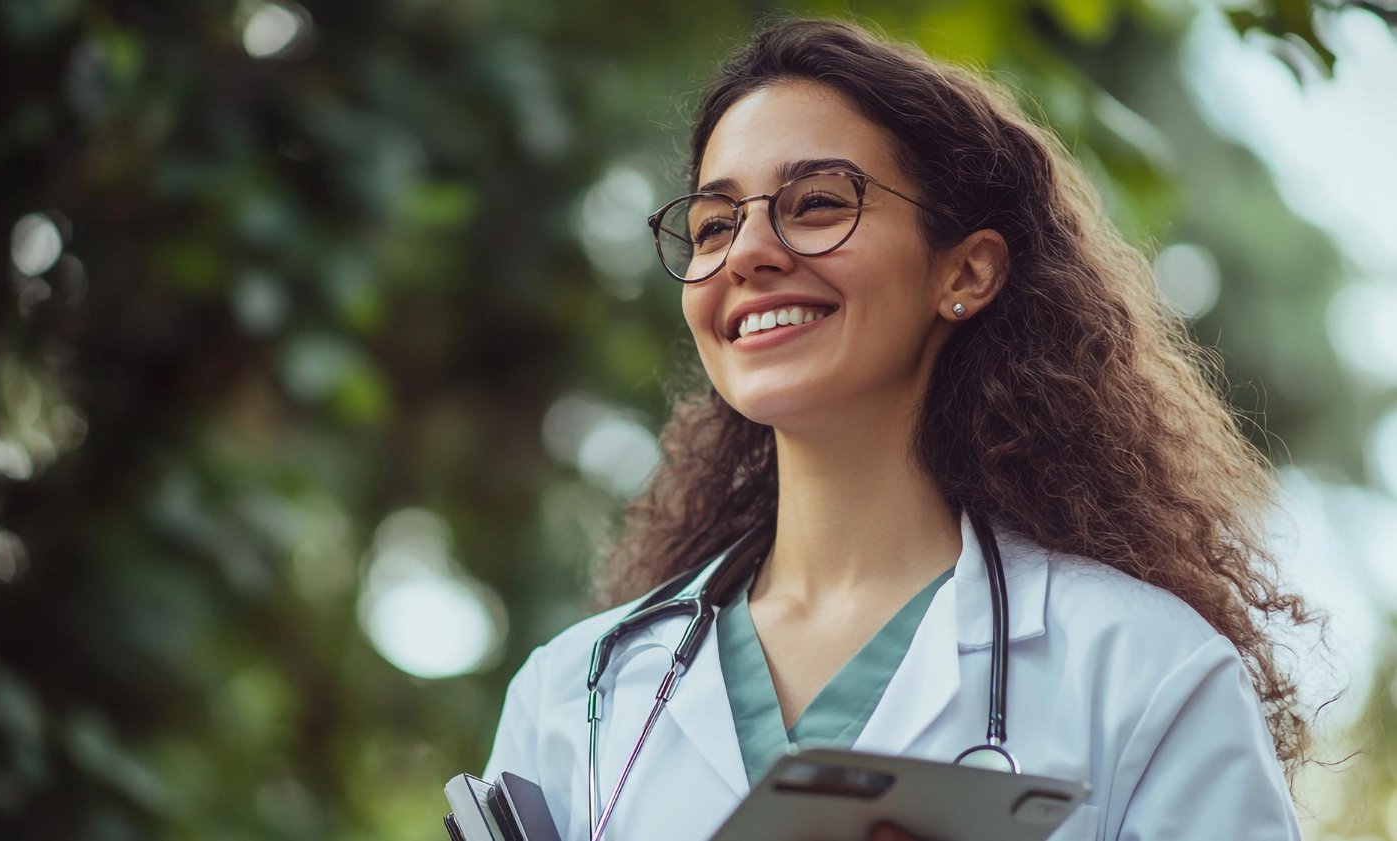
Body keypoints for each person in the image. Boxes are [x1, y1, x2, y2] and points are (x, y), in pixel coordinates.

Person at [481, 17, 1311, 841]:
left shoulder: (1144, 669)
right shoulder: (574, 695)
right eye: (713, 225)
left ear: (966, 270)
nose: (748, 253)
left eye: (816, 204)